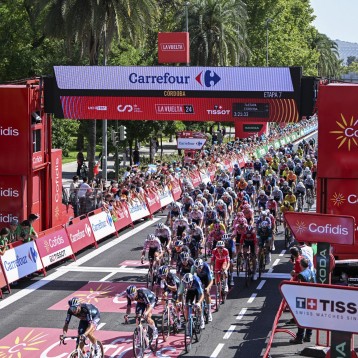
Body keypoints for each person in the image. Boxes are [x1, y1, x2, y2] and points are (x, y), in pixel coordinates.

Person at [289, 258, 316, 344]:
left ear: (301, 265)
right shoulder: (312, 272)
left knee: (301, 318)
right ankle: (308, 336)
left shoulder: (301, 275)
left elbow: (300, 287)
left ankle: (299, 337)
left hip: (304, 299)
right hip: (312, 298)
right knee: (310, 318)